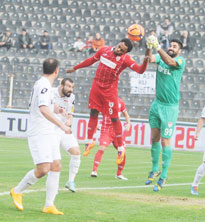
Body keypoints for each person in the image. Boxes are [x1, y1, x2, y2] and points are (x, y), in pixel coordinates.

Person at [66, 38, 149, 166]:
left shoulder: (126, 59)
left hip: (110, 90)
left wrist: (145, 61)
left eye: (122, 50)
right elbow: (90, 61)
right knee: (93, 113)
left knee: (114, 118)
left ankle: (121, 148)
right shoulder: (104, 50)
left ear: (125, 52)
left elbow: (140, 70)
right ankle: (89, 141)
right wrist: (75, 68)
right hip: (96, 86)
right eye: (119, 46)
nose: (119, 49)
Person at [10, 58, 72, 215]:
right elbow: (44, 109)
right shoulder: (43, 85)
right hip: (39, 132)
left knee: (56, 165)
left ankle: (49, 205)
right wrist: (62, 125)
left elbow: (49, 105)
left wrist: (59, 110)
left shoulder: (46, 86)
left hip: (48, 132)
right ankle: (17, 191)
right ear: (56, 71)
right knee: (44, 169)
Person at [144, 36, 186, 192]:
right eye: (171, 45)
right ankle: (155, 170)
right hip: (157, 104)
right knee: (154, 136)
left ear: (179, 50)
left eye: (175, 46)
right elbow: (148, 58)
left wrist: (157, 47)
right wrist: (149, 46)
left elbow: (170, 62)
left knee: (165, 140)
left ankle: (164, 175)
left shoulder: (180, 61)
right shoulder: (160, 58)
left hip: (170, 108)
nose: (172, 47)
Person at [87, 97, 131, 180]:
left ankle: (119, 174)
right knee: (102, 148)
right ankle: (94, 170)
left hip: (117, 131)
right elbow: (95, 113)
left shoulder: (121, 102)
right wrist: (95, 124)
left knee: (122, 153)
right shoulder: (104, 101)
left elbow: (126, 115)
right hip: (106, 130)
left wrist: (128, 123)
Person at [52, 77, 81, 192]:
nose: (71, 89)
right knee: (53, 160)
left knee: (76, 152)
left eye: (72, 87)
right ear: (61, 86)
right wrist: (59, 109)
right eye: (68, 86)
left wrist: (69, 120)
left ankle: (70, 181)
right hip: (51, 128)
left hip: (63, 129)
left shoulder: (72, 97)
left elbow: (70, 113)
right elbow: (49, 107)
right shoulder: (51, 93)